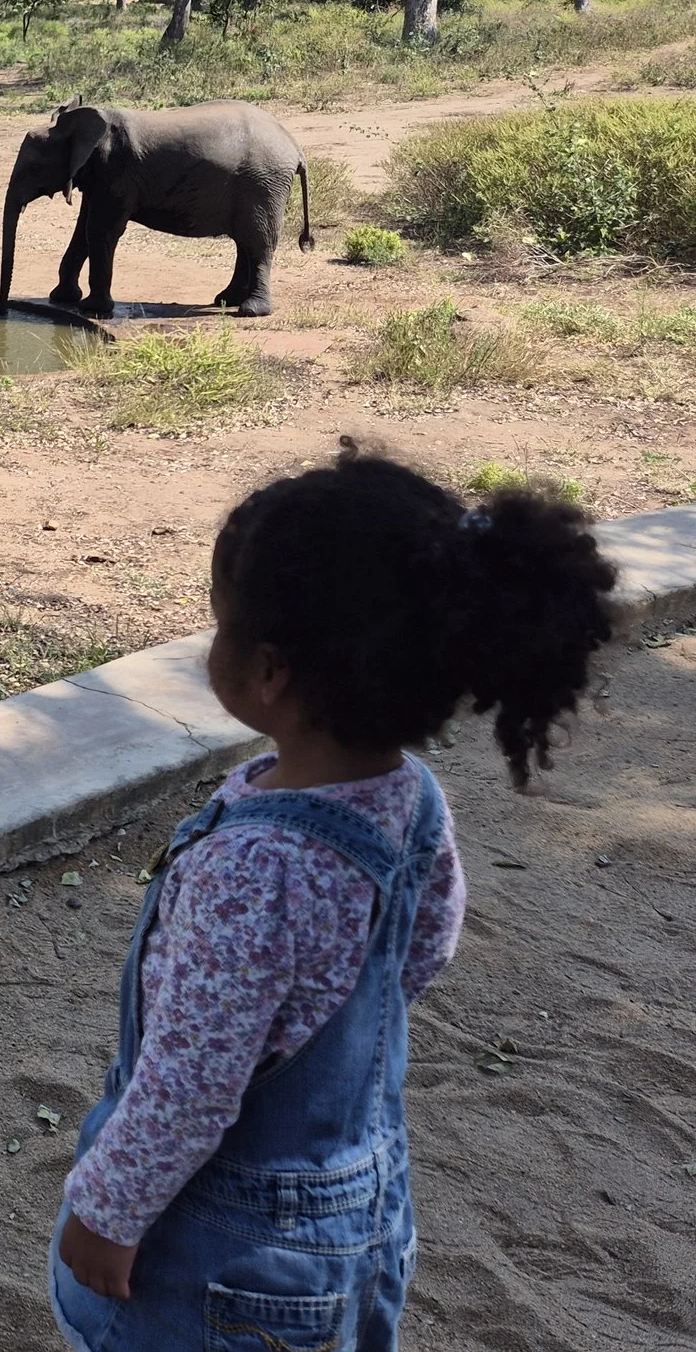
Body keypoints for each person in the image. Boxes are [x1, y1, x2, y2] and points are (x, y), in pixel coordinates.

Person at [50, 444, 615, 1352]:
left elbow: (190, 1084)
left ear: (270, 672)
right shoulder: (408, 794)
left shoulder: (260, 869)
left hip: (227, 1252)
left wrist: (108, 1211)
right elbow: (424, 947)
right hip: (355, 1202)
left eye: (219, 627)